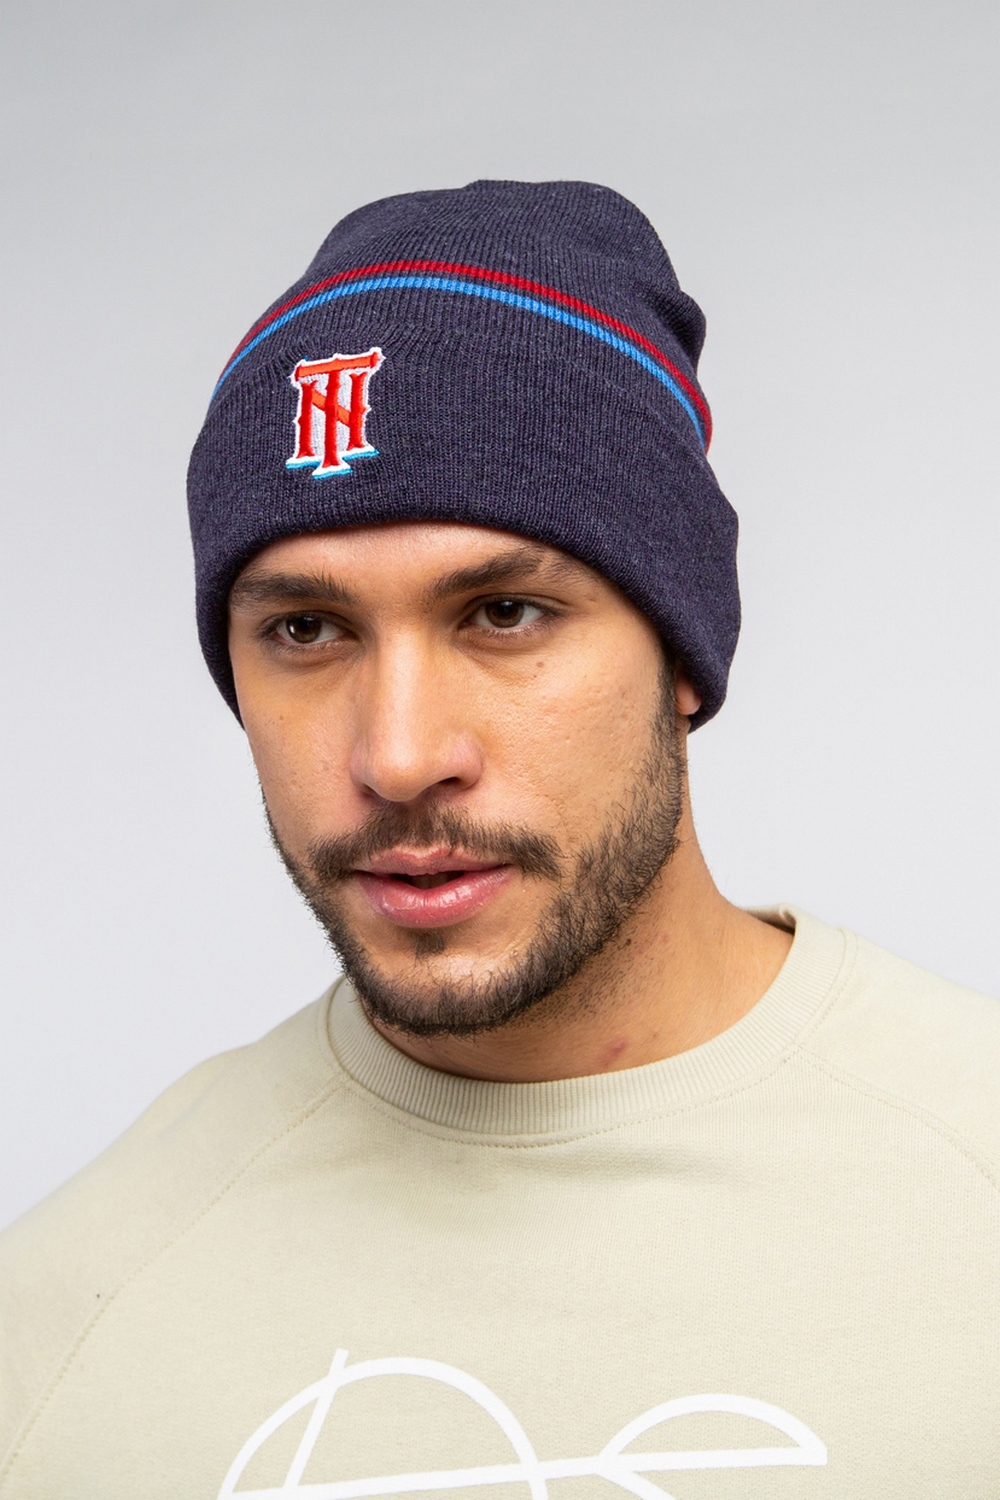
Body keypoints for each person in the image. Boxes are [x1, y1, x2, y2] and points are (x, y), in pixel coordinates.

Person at [1, 180, 998, 1500]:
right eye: (306, 630)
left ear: (682, 654)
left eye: (505, 613)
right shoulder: (68, 1329)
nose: (400, 754)